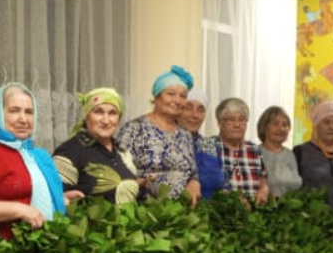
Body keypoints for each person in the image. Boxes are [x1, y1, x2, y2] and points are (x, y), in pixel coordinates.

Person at [0, 83, 70, 238]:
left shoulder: (33, 154)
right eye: (14, 111)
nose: (23, 119)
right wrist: (19, 210)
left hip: (40, 247)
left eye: (29, 112)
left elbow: (31, 191)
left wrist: (60, 198)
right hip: (4, 249)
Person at [118, 66, 200, 202]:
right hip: (144, 207)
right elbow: (119, 170)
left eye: (183, 96)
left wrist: (194, 183)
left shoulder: (185, 134)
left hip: (181, 208)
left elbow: (193, 172)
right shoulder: (134, 128)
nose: (177, 100)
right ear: (157, 96)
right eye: (171, 94)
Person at [52, 87, 140, 205]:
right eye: (98, 112)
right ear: (86, 116)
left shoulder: (121, 151)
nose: (106, 120)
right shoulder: (69, 151)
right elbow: (55, 199)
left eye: (112, 113)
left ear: (119, 119)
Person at [211, 97, 269, 202]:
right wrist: (234, 199)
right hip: (219, 209)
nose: (237, 125)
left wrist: (264, 189)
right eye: (231, 120)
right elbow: (205, 183)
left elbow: (262, 178)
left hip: (254, 209)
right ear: (219, 123)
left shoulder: (254, 149)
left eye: (242, 119)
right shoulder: (208, 147)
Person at [183, 87, 227, 197]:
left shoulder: (209, 145)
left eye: (201, 110)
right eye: (188, 108)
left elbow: (222, 182)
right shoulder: (166, 142)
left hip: (210, 206)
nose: (194, 115)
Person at [256, 106, 302, 197]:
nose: (281, 129)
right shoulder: (255, 153)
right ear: (264, 127)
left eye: (284, 125)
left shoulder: (290, 154)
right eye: (275, 124)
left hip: (291, 204)